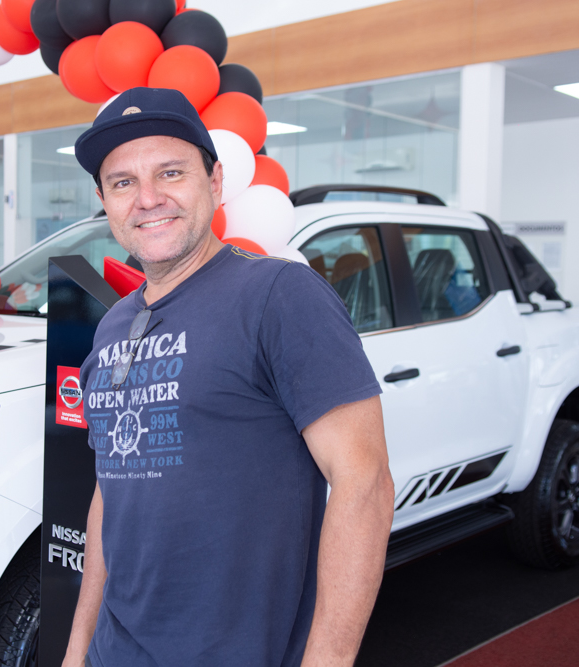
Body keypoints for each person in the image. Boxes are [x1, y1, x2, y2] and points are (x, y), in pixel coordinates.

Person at [64, 87, 395, 667]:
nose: (148, 198)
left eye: (170, 172)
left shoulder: (278, 295)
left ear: (215, 181)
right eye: (123, 182)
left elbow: (364, 483)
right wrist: (77, 650)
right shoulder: (112, 325)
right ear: (104, 201)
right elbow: (109, 494)